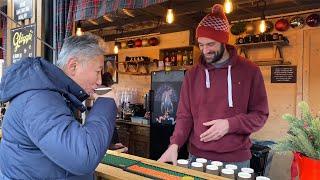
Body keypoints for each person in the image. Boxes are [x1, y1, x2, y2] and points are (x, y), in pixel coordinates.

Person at [158, 4, 269, 169]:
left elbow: (260, 115)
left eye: (210, 44)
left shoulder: (250, 71)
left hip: (236, 161)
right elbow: (184, 116)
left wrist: (230, 124)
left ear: (224, 40)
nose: (205, 50)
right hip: (196, 157)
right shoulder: (192, 74)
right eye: (201, 45)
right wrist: (174, 144)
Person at [0, 34, 117, 179]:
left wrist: (101, 143)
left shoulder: (56, 94)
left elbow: (61, 144)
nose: (100, 80)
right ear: (73, 66)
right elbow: (82, 158)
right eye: (98, 71)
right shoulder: (39, 99)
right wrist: (106, 103)